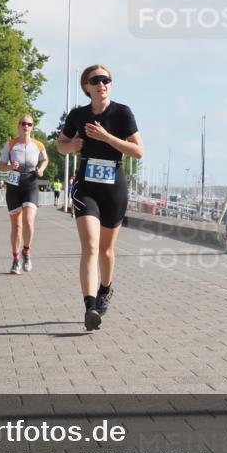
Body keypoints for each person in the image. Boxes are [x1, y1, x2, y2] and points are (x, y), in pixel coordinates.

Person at [57, 65, 143, 331]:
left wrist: (107, 137)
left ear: (110, 84)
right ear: (87, 86)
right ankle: (90, 307)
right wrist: (71, 147)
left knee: (106, 250)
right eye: (96, 80)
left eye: (106, 80)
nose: (101, 84)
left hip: (114, 188)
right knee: (91, 247)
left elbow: (138, 151)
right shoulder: (78, 115)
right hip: (86, 188)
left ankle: (105, 289)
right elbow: (61, 144)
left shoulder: (122, 113)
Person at [0, 115, 48, 274]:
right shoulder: (11, 144)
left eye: (29, 124)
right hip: (14, 184)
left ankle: (26, 252)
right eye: (23, 123)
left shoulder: (38, 145)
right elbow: (1, 166)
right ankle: (15, 259)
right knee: (17, 226)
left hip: (31, 184)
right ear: (18, 126)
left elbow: (45, 160)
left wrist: (41, 169)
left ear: (32, 127)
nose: (26, 126)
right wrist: (10, 166)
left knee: (28, 222)